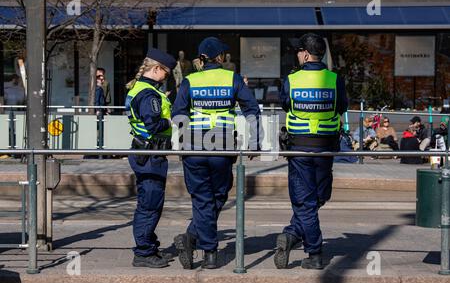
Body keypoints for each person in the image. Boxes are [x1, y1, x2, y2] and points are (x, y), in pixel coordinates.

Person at [171, 37, 263, 269]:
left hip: (194, 145)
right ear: (221, 58)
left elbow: (178, 112)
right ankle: (209, 252)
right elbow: (251, 108)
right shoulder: (232, 79)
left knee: (203, 198)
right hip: (221, 145)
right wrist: (255, 141)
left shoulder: (190, 81)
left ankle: (192, 237)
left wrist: (182, 142)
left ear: (201, 58)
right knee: (219, 193)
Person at [276, 33, 348, 270]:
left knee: (306, 202)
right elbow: (342, 106)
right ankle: (302, 241)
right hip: (325, 148)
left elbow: (285, 103)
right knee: (318, 196)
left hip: (300, 149)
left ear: (306, 54)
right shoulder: (335, 79)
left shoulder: (292, 79)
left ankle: (305, 244)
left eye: (298, 51)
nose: (297, 55)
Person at [124, 48, 177, 268]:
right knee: (149, 204)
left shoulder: (141, 89)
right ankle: (143, 253)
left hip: (146, 153)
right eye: (167, 72)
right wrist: (171, 119)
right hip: (150, 155)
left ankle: (150, 247)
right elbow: (154, 124)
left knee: (150, 202)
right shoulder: (148, 94)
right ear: (156, 69)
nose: (167, 77)